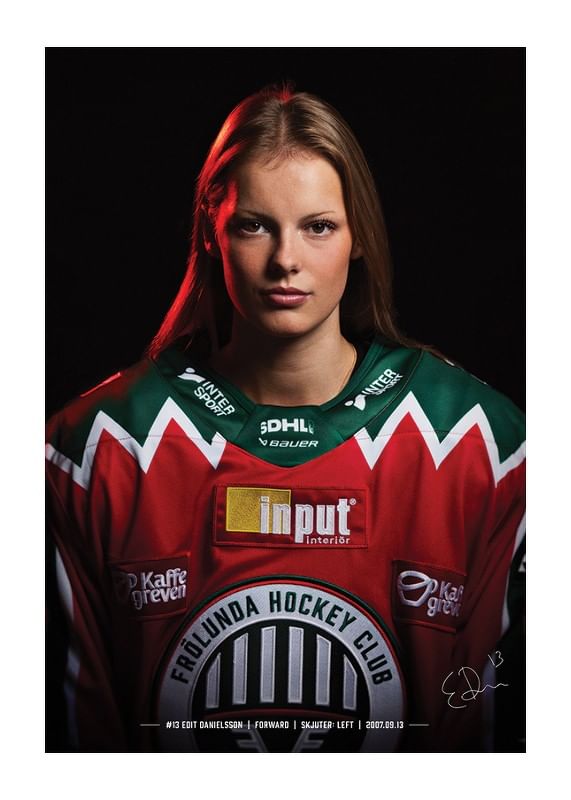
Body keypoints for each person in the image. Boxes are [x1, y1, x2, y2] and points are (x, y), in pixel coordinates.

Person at [46, 83, 525, 753]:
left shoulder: (480, 444)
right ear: (210, 232)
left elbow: (489, 731)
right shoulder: (96, 448)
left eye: (317, 226)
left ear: (359, 236)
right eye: (254, 224)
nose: (285, 261)